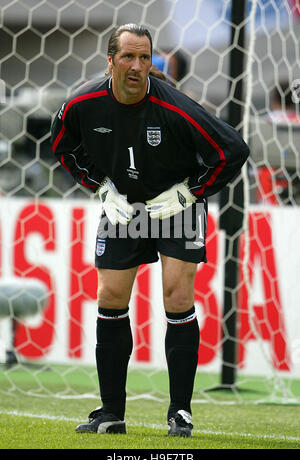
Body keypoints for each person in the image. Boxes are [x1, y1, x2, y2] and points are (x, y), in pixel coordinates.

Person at [51, 23, 249, 437]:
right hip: (124, 205)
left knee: (177, 293)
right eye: (128, 57)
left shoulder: (175, 106)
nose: (138, 65)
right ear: (110, 62)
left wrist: (189, 192)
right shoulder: (82, 104)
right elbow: (61, 146)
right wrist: (100, 188)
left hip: (174, 204)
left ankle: (180, 412)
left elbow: (233, 150)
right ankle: (111, 413)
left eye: (145, 57)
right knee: (110, 294)